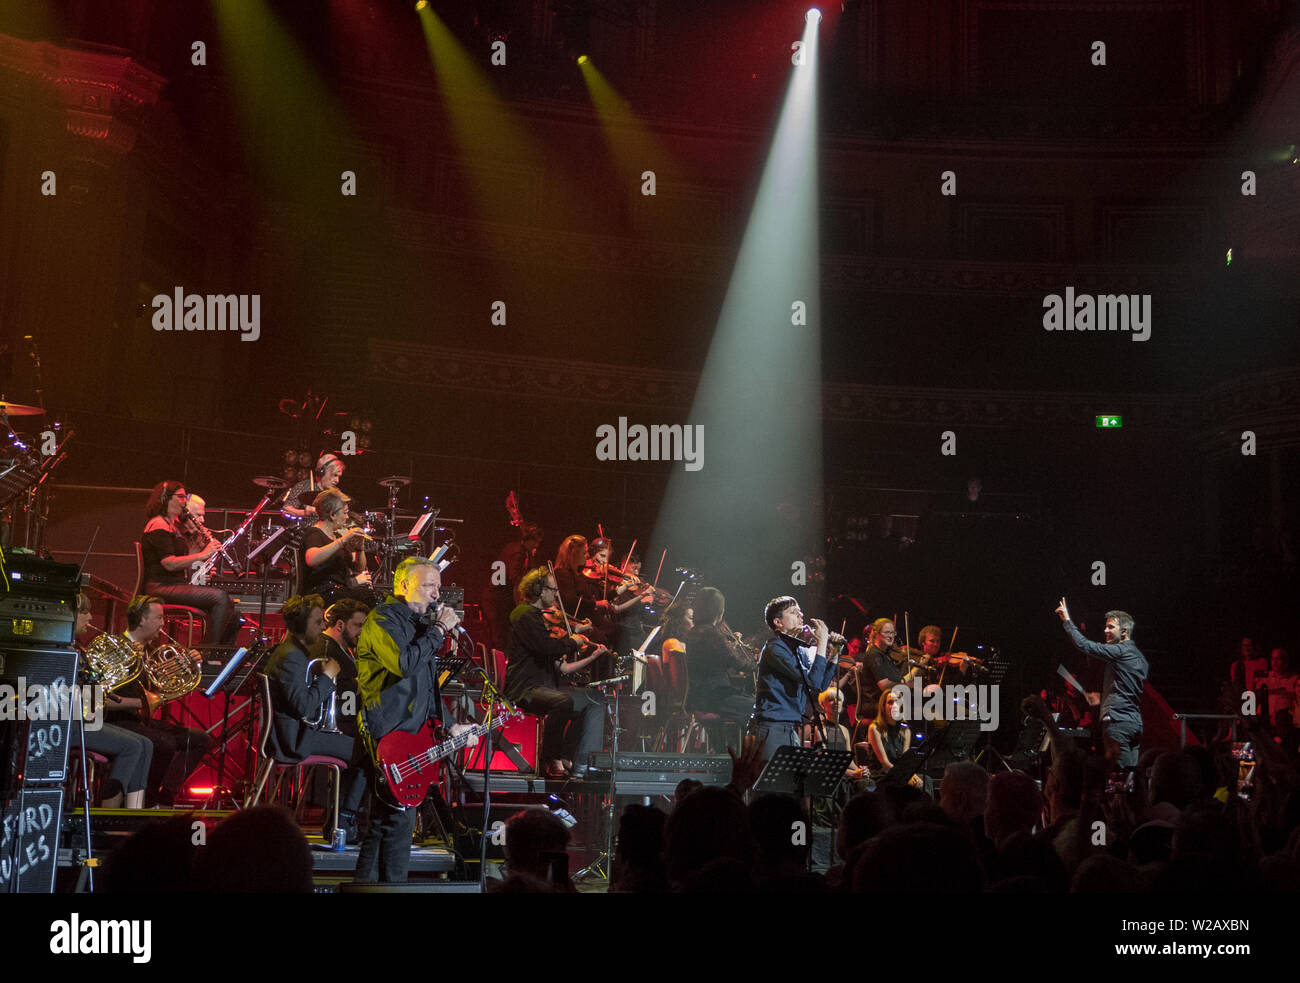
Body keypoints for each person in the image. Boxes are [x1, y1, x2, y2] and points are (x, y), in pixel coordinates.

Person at [353, 558, 478, 883]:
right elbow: (402, 664)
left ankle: (366, 888)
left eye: (438, 586)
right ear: (404, 585)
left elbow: (426, 687)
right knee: (396, 822)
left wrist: (450, 724)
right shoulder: (384, 619)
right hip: (387, 733)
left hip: (412, 734)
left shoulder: (420, 627)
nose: (437, 594)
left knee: (387, 823)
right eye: (428, 585)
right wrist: (438, 631)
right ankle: (388, 888)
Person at [263, 594, 369, 843]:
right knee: (368, 753)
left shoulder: (294, 651)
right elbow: (303, 706)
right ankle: (343, 819)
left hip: (299, 733)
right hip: (295, 740)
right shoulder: (292, 656)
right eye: (317, 622)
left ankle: (344, 817)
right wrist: (328, 677)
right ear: (301, 624)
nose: (323, 626)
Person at [103, 595, 212, 806]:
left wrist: (186, 665)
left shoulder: (150, 651)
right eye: (159, 618)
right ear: (142, 620)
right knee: (164, 743)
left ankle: (166, 795)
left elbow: (159, 686)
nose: (163, 624)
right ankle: (148, 802)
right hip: (118, 720)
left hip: (140, 721)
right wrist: (140, 703)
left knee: (199, 740)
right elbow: (100, 699)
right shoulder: (116, 650)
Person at [503, 566, 609, 779]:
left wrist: (575, 635)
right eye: (553, 589)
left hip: (542, 685)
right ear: (540, 591)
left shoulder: (535, 616)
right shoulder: (524, 614)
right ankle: (550, 759)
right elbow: (547, 648)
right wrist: (572, 641)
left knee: (595, 699)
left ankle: (577, 762)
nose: (556, 594)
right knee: (563, 702)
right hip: (526, 687)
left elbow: (549, 648)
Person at [73, 593, 152, 809]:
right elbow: (85, 700)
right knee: (133, 746)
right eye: (84, 612)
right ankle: (108, 814)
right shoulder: (68, 651)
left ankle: (133, 812)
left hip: (88, 721)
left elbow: (96, 690)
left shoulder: (79, 648)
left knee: (145, 744)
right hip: (73, 724)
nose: (90, 617)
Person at [1055, 598, 1149, 768]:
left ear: (1125, 632)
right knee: (1131, 777)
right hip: (1135, 723)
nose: (1105, 630)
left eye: (1111, 627)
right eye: (1106, 626)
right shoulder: (1140, 658)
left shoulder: (1120, 651)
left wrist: (1067, 621)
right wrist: (1103, 697)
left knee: (1118, 778)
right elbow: (1127, 689)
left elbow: (1084, 645)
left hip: (1118, 722)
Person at [140, 480, 237, 643]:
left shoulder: (171, 526)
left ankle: (222, 657)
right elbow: (169, 563)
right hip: (160, 587)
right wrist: (203, 554)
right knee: (220, 598)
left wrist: (199, 546)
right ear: (166, 498)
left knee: (233, 613)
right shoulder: (158, 524)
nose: (184, 501)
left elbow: (183, 559)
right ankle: (207, 654)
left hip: (174, 585)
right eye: (181, 497)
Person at [749, 595, 836, 764]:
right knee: (772, 785)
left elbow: (818, 685)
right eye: (793, 612)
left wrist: (835, 656)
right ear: (778, 622)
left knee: (789, 784)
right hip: (771, 727)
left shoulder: (798, 649)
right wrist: (822, 642)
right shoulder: (775, 648)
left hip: (789, 727)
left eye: (800, 612)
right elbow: (811, 681)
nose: (800, 616)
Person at [683, 587, 755, 727]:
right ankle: (739, 747)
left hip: (699, 695)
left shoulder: (695, 632)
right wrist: (756, 661)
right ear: (719, 611)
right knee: (760, 708)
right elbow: (740, 665)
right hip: (714, 697)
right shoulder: (711, 633)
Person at [300, 487, 373, 606]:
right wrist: (343, 540)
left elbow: (358, 569)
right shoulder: (314, 533)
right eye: (344, 512)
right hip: (321, 595)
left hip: (340, 592)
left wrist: (360, 548)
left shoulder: (336, 535)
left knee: (373, 596)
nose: (347, 517)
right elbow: (311, 559)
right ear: (333, 515)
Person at [864, 688, 922, 788]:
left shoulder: (906, 731)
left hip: (899, 773)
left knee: (925, 780)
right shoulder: (875, 729)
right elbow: (884, 763)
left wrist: (911, 775)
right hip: (881, 774)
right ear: (883, 707)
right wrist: (905, 776)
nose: (894, 706)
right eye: (890, 702)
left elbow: (905, 761)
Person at [283, 451, 348, 519]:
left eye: (338, 477)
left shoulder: (336, 493)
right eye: (334, 475)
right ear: (322, 472)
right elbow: (286, 511)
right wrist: (304, 513)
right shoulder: (303, 486)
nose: (337, 480)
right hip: (305, 528)